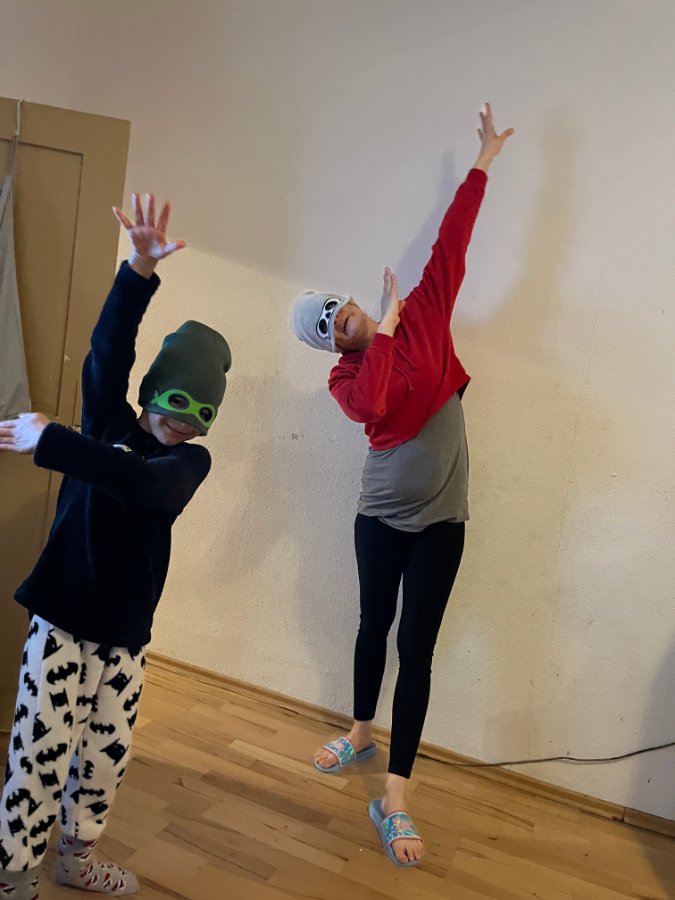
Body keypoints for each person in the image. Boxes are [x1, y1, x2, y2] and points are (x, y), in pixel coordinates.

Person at [289, 103, 513, 867]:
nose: (339, 320)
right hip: (379, 518)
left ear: (351, 298)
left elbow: (452, 240)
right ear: (330, 345)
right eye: (327, 326)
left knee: (416, 651)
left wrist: (482, 162)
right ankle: (359, 731)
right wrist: (380, 332)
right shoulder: (347, 378)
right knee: (370, 627)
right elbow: (375, 404)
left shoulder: (422, 314)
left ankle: (394, 797)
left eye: (338, 308)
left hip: (442, 520)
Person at [0, 194, 231, 898]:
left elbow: (143, 486)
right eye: (177, 403)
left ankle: (75, 857)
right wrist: (139, 269)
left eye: (201, 413)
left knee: (104, 757)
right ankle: (13, 873)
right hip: (62, 618)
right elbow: (108, 351)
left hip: (125, 636)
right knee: (40, 750)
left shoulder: (185, 464)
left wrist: (54, 441)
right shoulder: (107, 424)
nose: (184, 422)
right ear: (153, 392)